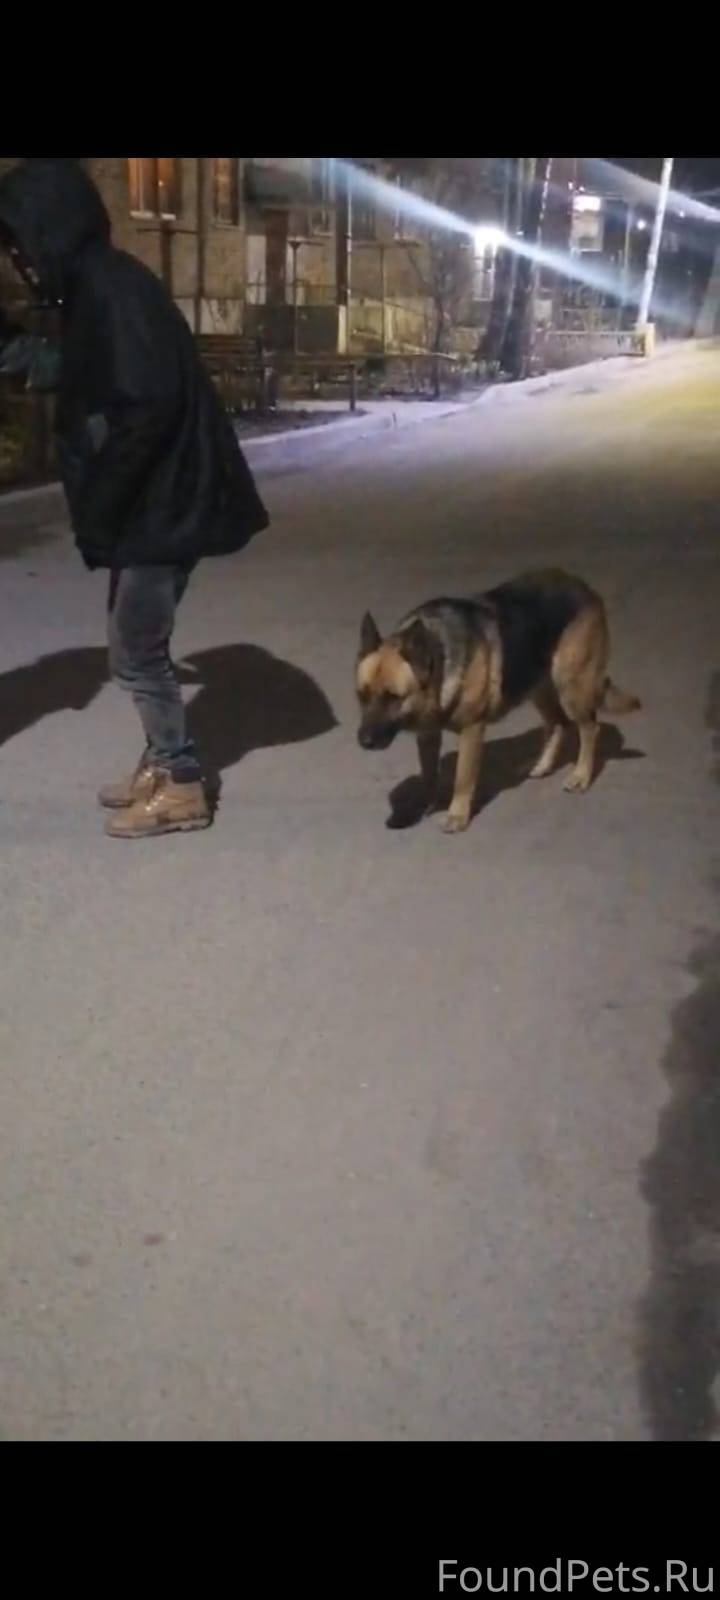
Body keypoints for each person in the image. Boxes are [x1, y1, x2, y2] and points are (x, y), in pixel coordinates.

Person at [0, 158, 269, 838]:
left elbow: (145, 404)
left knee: (136, 652)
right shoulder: (98, 285)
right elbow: (86, 372)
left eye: (20, 244)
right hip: (151, 504)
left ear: (49, 228)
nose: (18, 261)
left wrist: (104, 503)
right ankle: (162, 760)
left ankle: (181, 783)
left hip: (160, 504)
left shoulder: (112, 290)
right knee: (139, 643)